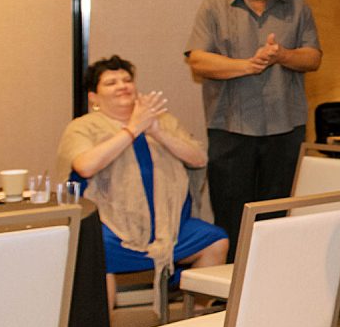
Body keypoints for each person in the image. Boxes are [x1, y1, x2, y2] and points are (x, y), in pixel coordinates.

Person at [56, 56, 228, 310]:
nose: (122, 85)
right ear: (93, 97)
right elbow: (85, 165)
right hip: (112, 227)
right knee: (92, 249)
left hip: (167, 226)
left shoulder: (163, 120)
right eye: (111, 82)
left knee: (216, 241)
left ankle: (193, 317)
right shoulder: (83, 127)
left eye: (127, 80)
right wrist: (132, 129)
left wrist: (157, 131)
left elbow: (198, 158)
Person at [185, 0, 321, 254]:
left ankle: (271, 281)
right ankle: (231, 288)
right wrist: (248, 65)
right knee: (230, 213)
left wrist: (281, 55)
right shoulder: (214, 7)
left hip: (285, 128)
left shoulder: (297, 6)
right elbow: (198, 61)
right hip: (230, 127)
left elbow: (313, 58)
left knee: (276, 212)